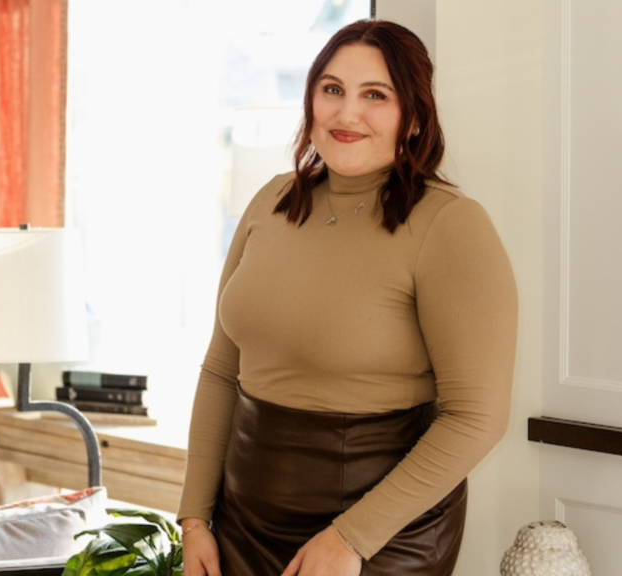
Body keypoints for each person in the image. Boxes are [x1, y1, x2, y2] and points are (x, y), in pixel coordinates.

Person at [178, 18, 518, 576]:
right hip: (244, 520)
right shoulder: (272, 201)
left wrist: (352, 539)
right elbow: (221, 370)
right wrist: (195, 517)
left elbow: (477, 417)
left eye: (375, 95)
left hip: (382, 533)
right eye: (331, 89)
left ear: (414, 116)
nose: (346, 113)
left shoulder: (451, 226)